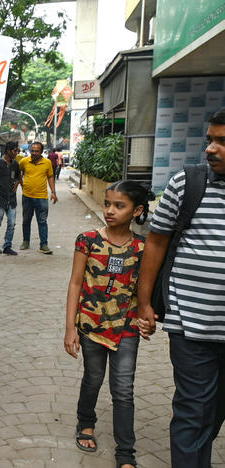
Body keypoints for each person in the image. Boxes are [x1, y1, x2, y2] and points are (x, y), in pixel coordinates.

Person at [136, 108, 225, 468]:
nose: (210, 149)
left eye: (222, 142)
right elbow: (156, 242)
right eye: (210, 140)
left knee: (212, 413)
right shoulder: (187, 184)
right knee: (193, 411)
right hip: (191, 325)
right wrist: (145, 302)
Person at [64, 181, 151, 468]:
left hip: (126, 329)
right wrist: (70, 327)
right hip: (91, 326)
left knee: (123, 389)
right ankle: (86, 422)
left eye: (119, 205)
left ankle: (126, 452)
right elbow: (76, 283)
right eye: (107, 204)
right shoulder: (87, 239)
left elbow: (144, 290)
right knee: (93, 378)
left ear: (137, 210)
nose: (110, 210)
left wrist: (147, 318)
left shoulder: (142, 246)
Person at [19, 141, 57, 254]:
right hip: (27, 196)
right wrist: (21, 184)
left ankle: (44, 245)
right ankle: (26, 241)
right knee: (26, 220)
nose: (34, 153)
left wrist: (53, 192)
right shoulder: (24, 161)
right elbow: (18, 173)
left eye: (37, 151)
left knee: (42, 221)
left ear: (41, 152)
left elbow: (50, 177)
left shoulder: (47, 163)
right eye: (32, 151)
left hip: (41, 197)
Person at [0, 141, 21, 255]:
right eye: (15, 151)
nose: (16, 153)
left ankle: (7, 246)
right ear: (8, 151)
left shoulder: (15, 164)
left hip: (11, 198)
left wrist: (17, 183)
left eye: (17, 151)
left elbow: (18, 176)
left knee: (12, 223)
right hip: (0, 197)